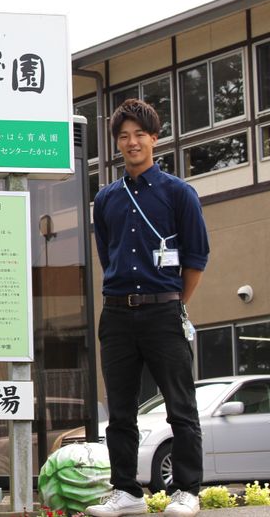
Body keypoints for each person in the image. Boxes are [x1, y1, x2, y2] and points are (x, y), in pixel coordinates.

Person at [86, 99, 209, 517]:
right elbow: (108, 254)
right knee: (120, 410)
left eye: (140, 134)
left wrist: (173, 303)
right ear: (117, 144)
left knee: (180, 405)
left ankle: (187, 491)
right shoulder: (105, 199)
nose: (132, 142)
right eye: (123, 136)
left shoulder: (179, 193)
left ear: (155, 138)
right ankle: (127, 492)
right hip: (117, 313)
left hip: (163, 311)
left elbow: (195, 260)